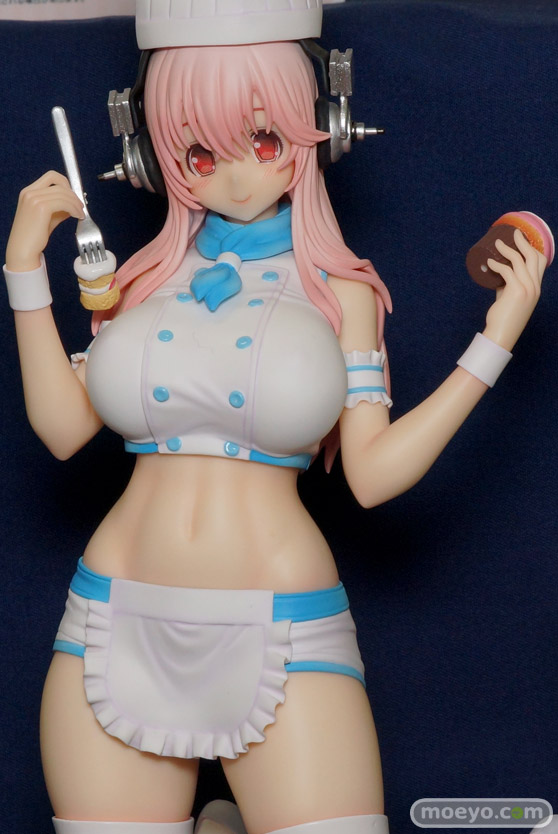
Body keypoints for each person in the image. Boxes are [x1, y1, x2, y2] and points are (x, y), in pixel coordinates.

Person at [2, 3, 547, 834]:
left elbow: (371, 476)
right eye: (198, 152)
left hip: (283, 631)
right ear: (150, 152)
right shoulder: (138, 280)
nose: (234, 177)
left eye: (263, 140)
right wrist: (23, 269)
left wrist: (493, 344)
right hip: (112, 620)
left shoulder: (341, 292)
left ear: (324, 124)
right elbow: (63, 430)